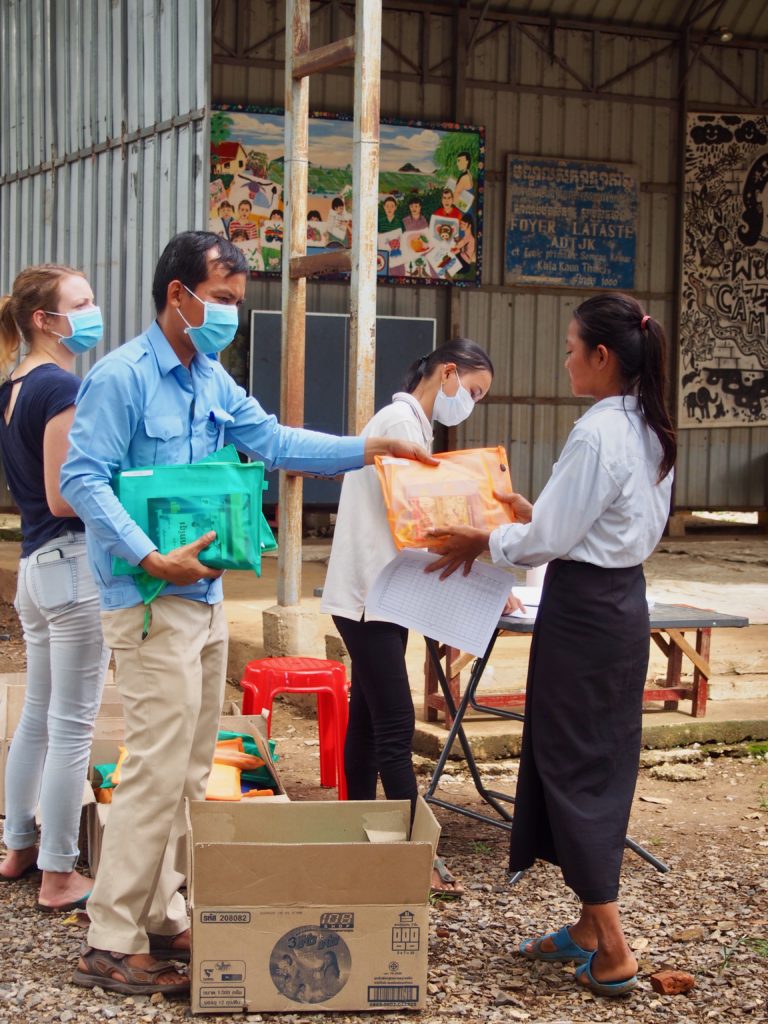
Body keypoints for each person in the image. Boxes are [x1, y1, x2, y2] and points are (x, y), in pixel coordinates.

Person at [60, 231, 435, 997]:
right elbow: (82, 479)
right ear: (178, 295)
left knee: (193, 770)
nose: (232, 313)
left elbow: (273, 441)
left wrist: (369, 449)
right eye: (223, 299)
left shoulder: (210, 379)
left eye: (236, 300)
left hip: (202, 599)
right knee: (155, 768)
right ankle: (110, 938)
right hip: (149, 601)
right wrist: (149, 556)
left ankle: (163, 911)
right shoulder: (121, 378)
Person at [426, 294, 676, 998]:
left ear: (602, 356)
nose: (565, 361)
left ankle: (614, 946)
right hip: (620, 604)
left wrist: (485, 538)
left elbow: (547, 540)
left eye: (571, 349)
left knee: (571, 764)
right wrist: (531, 520)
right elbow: (591, 523)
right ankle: (590, 928)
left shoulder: (599, 431)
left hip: (584, 611)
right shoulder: (650, 425)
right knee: (597, 758)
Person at [320, 339, 497, 896]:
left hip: (380, 595)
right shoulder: (400, 423)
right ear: (448, 373)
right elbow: (420, 525)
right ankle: (418, 858)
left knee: (369, 719)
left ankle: (353, 836)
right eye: (472, 392)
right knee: (395, 725)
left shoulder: (412, 424)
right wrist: (482, 576)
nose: (470, 404)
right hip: (370, 597)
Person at [0, 265, 110, 910]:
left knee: (39, 717)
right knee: (72, 726)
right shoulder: (62, 386)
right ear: (45, 320)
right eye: (82, 302)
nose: (93, 311)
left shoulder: (14, 386)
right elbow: (65, 496)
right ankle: (59, 873)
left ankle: (19, 844)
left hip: (36, 568)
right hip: (70, 564)